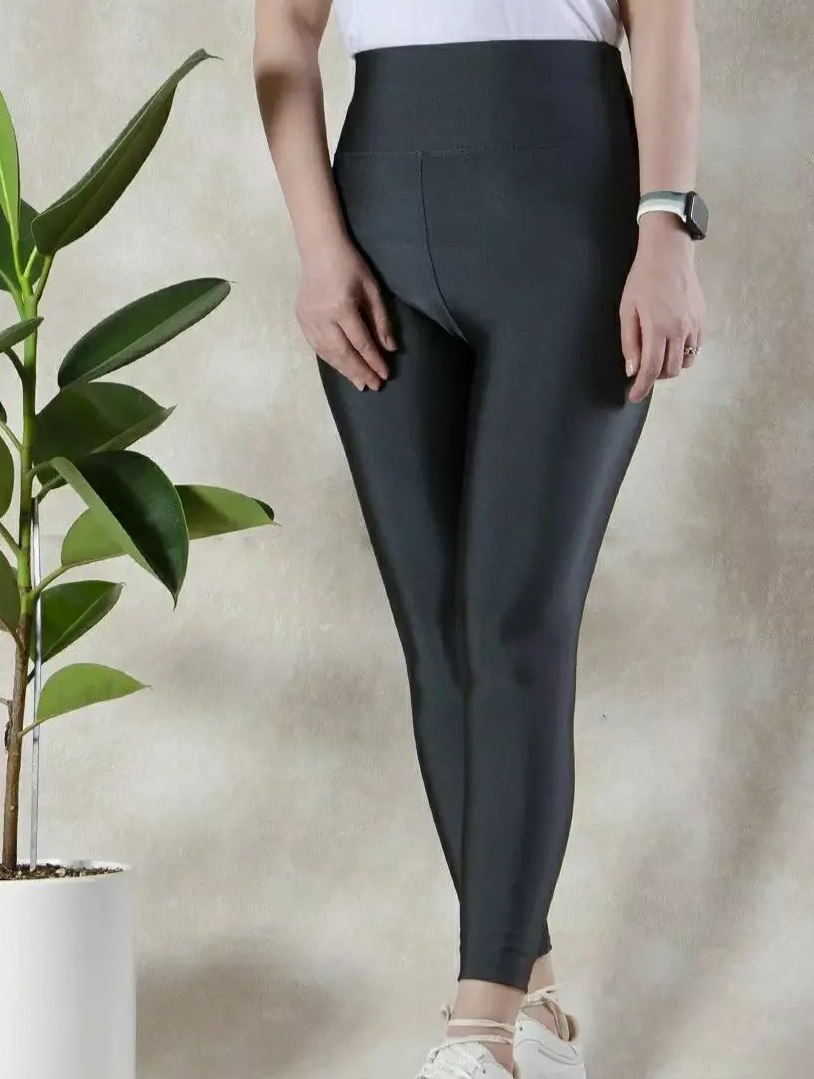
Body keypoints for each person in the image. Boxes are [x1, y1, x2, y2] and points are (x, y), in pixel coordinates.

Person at [253, 2, 709, 1077]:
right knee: (439, 641)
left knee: (512, 627)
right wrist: (317, 247)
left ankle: (478, 1032)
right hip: (373, 219)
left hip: (569, 209)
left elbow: (662, 20)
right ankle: (533, 1013)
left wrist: (665, 229)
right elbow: (283, 39)